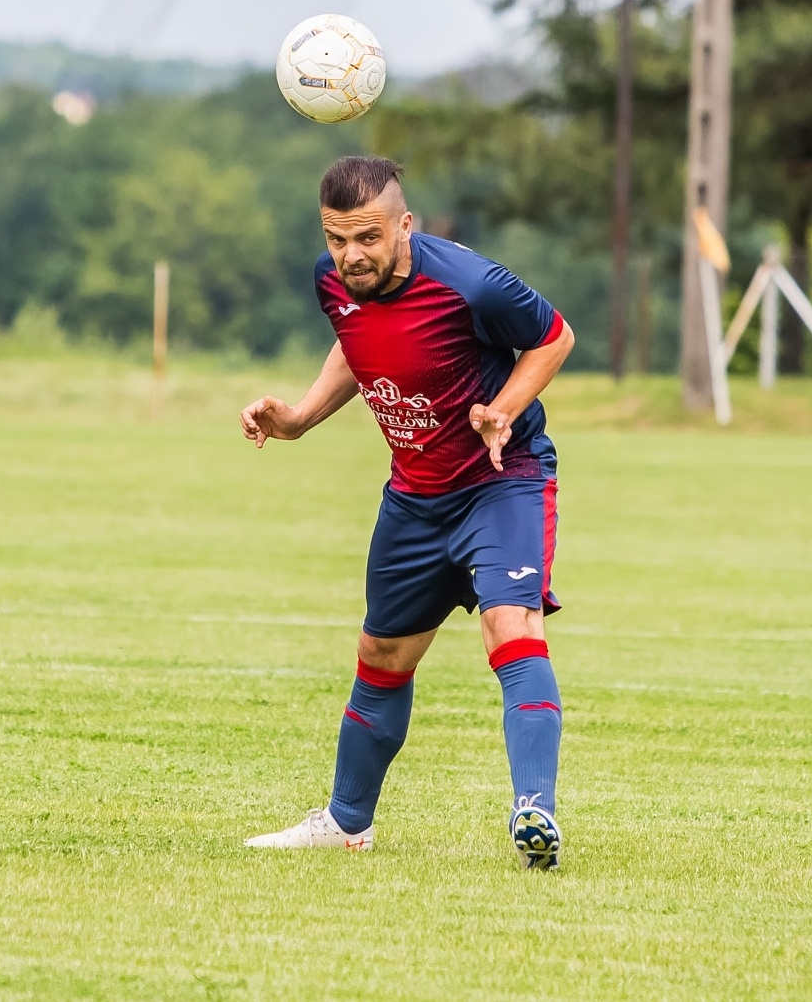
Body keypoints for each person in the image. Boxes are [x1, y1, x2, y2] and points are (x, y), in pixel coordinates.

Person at [238, 157, 576, 868]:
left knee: (509, 625)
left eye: (367, 237)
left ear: (404, 225)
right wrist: (299, 417)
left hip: (500, 479)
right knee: (381, 657)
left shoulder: (470, 282)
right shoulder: (334, 283)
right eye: (337, 239)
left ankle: (533, 810)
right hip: (416, 498)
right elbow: (357, 348)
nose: (351, 255)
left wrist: (502, 410)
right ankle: (346, 821)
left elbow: (554, 337)